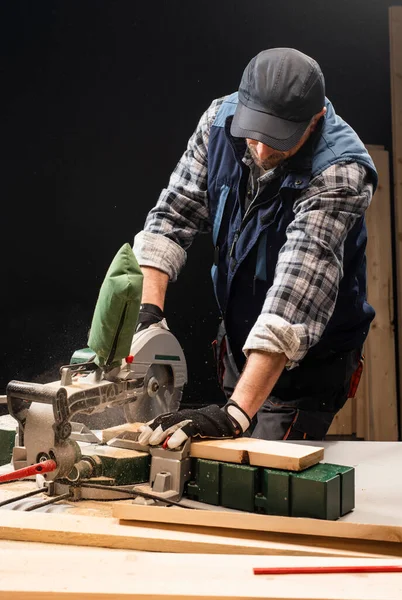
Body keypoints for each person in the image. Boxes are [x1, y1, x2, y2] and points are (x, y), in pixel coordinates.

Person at [134, 47, 378, 449]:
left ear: (315, 120)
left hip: (306, 360)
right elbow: (172, 218)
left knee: (262, 474)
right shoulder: (218, 122)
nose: (262, 151)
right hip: (239, 335)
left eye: (279, 138)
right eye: (256, 133)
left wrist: (234, 413)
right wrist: (149, 318)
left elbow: (293, 299)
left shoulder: (340, 171)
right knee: (218, 458)